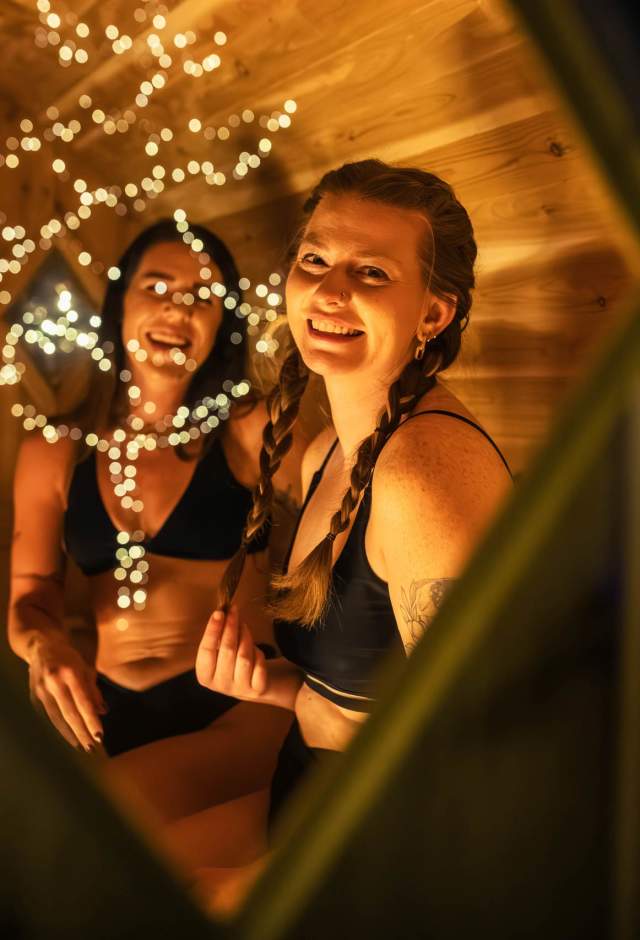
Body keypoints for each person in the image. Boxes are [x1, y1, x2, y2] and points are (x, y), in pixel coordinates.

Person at [165, 159, 512, 901]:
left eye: (373, 273)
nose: (329, 290)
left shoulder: (424, 475)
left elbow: (480, 754)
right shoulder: (328, 451)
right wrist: (277, 687)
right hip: (309, 783)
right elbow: (368, 688)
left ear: (434, 314)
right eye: (315, 260)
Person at [8, 219, 304, 819]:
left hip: (237, 705)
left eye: (202, 297)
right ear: (119, 304)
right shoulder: (55, 450)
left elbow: (346, 509)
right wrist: (45, 645)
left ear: (222, 326)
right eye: (158, 287)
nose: (178, 309)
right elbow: (31, 592)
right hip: (104, 712)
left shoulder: (249, 429)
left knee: (100, 828)